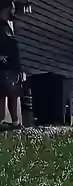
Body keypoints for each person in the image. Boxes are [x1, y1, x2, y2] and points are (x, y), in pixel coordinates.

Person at [0, 0, 22, 130]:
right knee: (3, 93)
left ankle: (15, 121)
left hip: (11, 67)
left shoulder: (8, 26)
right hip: (4, 67)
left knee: (13, 93)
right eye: (11, 8)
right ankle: (2, 119)